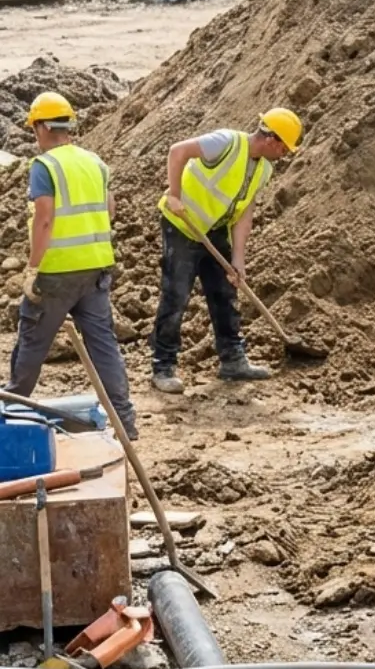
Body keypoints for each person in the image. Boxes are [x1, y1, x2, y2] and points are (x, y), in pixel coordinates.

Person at [5, 94, 136, 437]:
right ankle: (125, 421)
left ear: (45, 127)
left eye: (35, 127)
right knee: (103, 345)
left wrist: (33, 269)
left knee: (32, 344)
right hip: (96, 268)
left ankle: (9, 414)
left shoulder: (44, 166)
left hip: (57, 272)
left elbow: (44, 219)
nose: (35, 134)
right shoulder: (95, 162)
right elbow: (110, 211)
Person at [151, 109, 302, 394]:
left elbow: (245, 214)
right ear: (271, 139)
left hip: (215, 229)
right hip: (182, 225)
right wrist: (174, 194)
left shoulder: (264, 169)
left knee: (224, 292)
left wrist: (238, 260)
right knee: (176, 295)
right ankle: (163, 366)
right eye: (284, 146)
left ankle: (232, 360)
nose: (285, 153)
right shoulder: (225, 142)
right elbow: (177, 151)